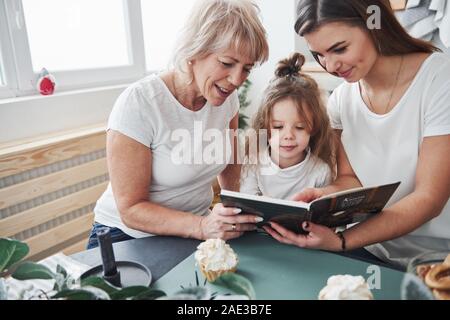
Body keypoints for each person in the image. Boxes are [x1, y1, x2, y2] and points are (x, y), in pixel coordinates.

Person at [263, 0, 450, 269]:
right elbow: (351, 179)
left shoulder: (439, 79)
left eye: (339, 48)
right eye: (319, 55)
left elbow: (429, 198)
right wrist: (324, 196)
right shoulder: (341, 100)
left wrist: (343, 241)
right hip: (371, 250)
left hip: (435, 259)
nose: (330, 65)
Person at [87, 0, 269, 249]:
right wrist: (201, 227)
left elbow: (230, 162)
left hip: (193, 231)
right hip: (126, 237)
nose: (237, 79)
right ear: (195, 50)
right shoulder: (140, 103)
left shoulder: (227, 98)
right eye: (227, 63)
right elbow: (131, 209)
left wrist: (233, 206)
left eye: (246, 69)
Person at [240, 52, 335, 200]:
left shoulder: (321, 172)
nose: (289, 135)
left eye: (300, 127)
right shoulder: (254, 164)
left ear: (314, 128)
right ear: (264, 128)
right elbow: (246, 208)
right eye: (278, 127)